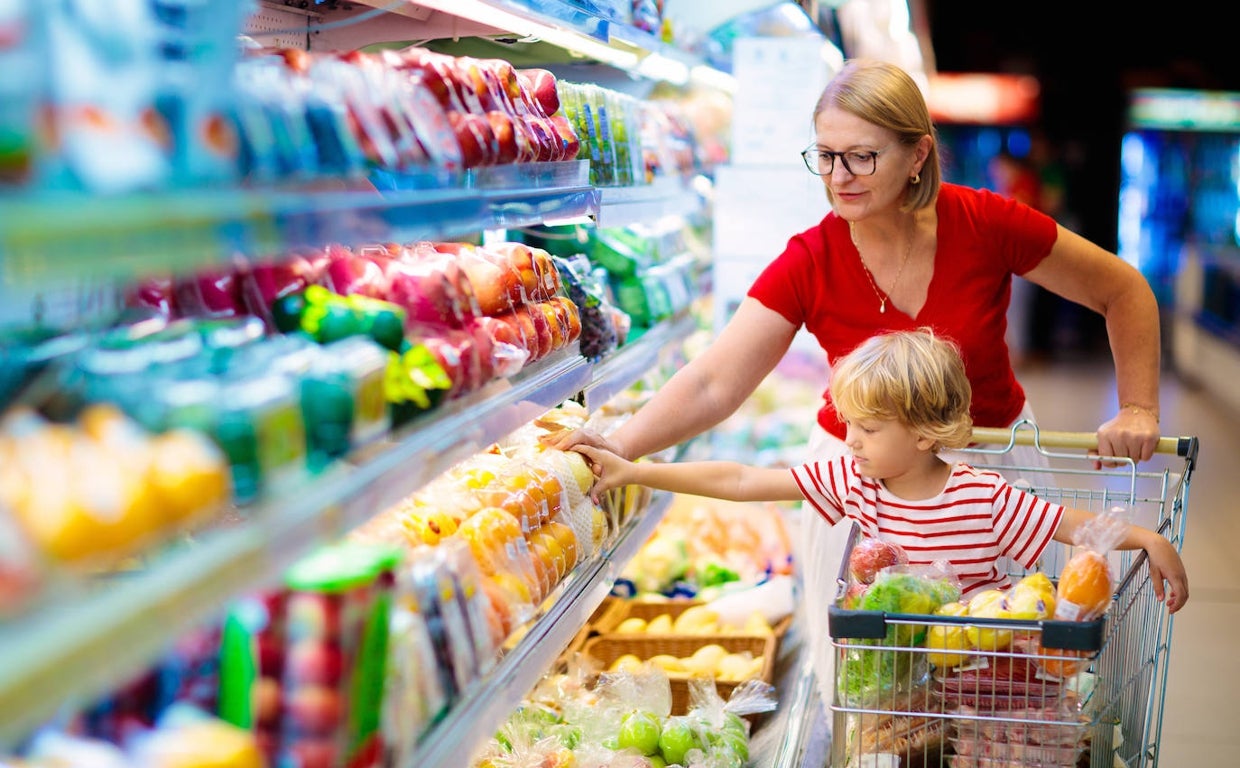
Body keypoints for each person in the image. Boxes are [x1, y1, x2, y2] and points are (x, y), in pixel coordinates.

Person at [542, 57, 1165, 706]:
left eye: (862, 157)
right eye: (826, 156)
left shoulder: (986, 223)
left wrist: (1140, 407)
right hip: (864, 493)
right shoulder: (811, 257)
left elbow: (1122, 291)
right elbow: (712, 384)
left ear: (918, 153)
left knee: (995, 674)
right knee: (874, 695)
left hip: (990, 485)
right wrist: (621, 445)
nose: (839, 177)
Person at [572, 329, 1188, 612]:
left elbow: (1070, 526)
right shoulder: (852, 480)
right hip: (886, 688)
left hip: (976, 684)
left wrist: (1147, 538)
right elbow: (739, 481)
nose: (850, 440)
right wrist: (635, 470)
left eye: (867, 429)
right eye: (849, 425)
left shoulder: (985, 497)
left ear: (924, 434)